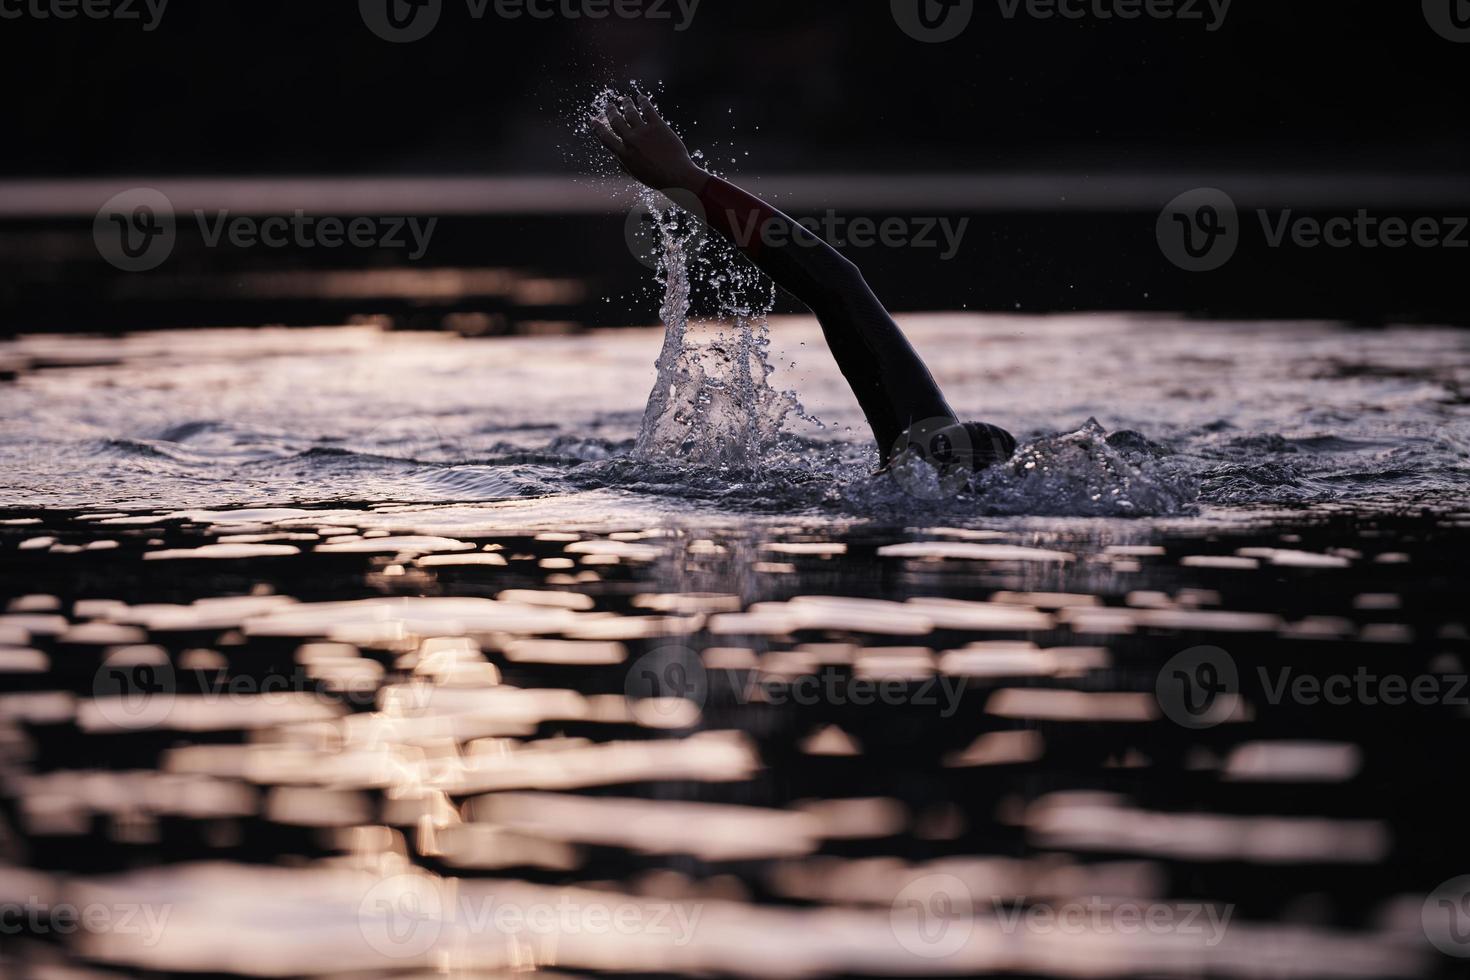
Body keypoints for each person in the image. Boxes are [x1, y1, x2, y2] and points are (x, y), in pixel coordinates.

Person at [591, 90, 1017, 477]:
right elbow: (838, 285)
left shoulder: (909, 465)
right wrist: (690, 181)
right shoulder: (921, 448)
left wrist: (691, 182)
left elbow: (836, 285)